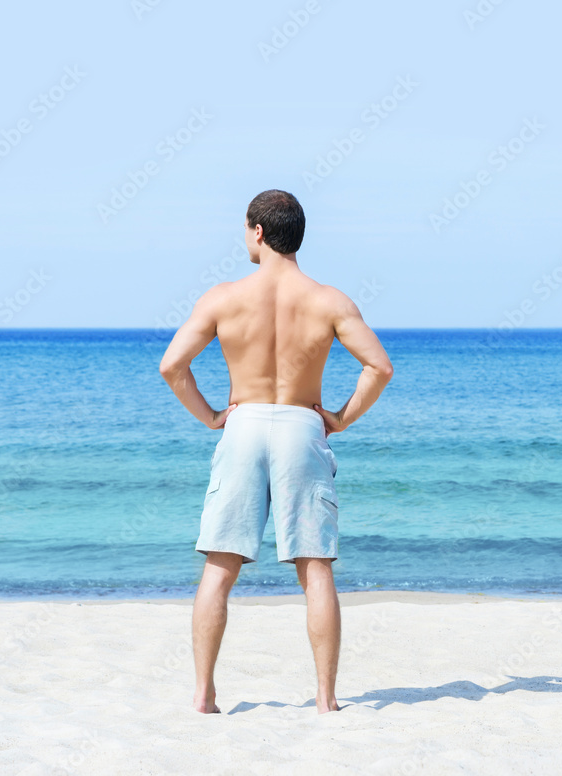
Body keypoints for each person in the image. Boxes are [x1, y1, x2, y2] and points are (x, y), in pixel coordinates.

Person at [159, 189, 393, 715]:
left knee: (220, 566)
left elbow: (172, 367)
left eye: (246, 229)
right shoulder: (330, 300)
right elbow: (379, 367)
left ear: (258, 232)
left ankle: (203, 695)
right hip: (300, 425)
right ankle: (326, 699)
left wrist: (213, 416)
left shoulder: (222, 298)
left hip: (242, 426)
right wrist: (339, 417)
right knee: (315, 568)